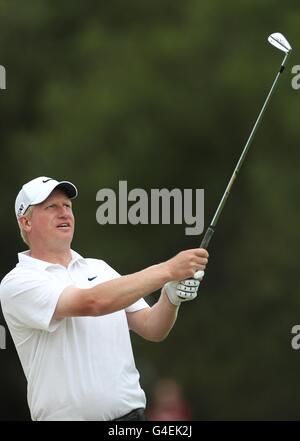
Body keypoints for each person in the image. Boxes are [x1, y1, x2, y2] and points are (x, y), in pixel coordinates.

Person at [0, 176, 209, 421]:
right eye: (51, 207)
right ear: (25, 222)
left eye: (67, 206)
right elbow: (92, 303)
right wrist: (167, 270)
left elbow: (153, 327)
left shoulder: (99, 268)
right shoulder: (18, 282)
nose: (63, 212)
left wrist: (170, 297)